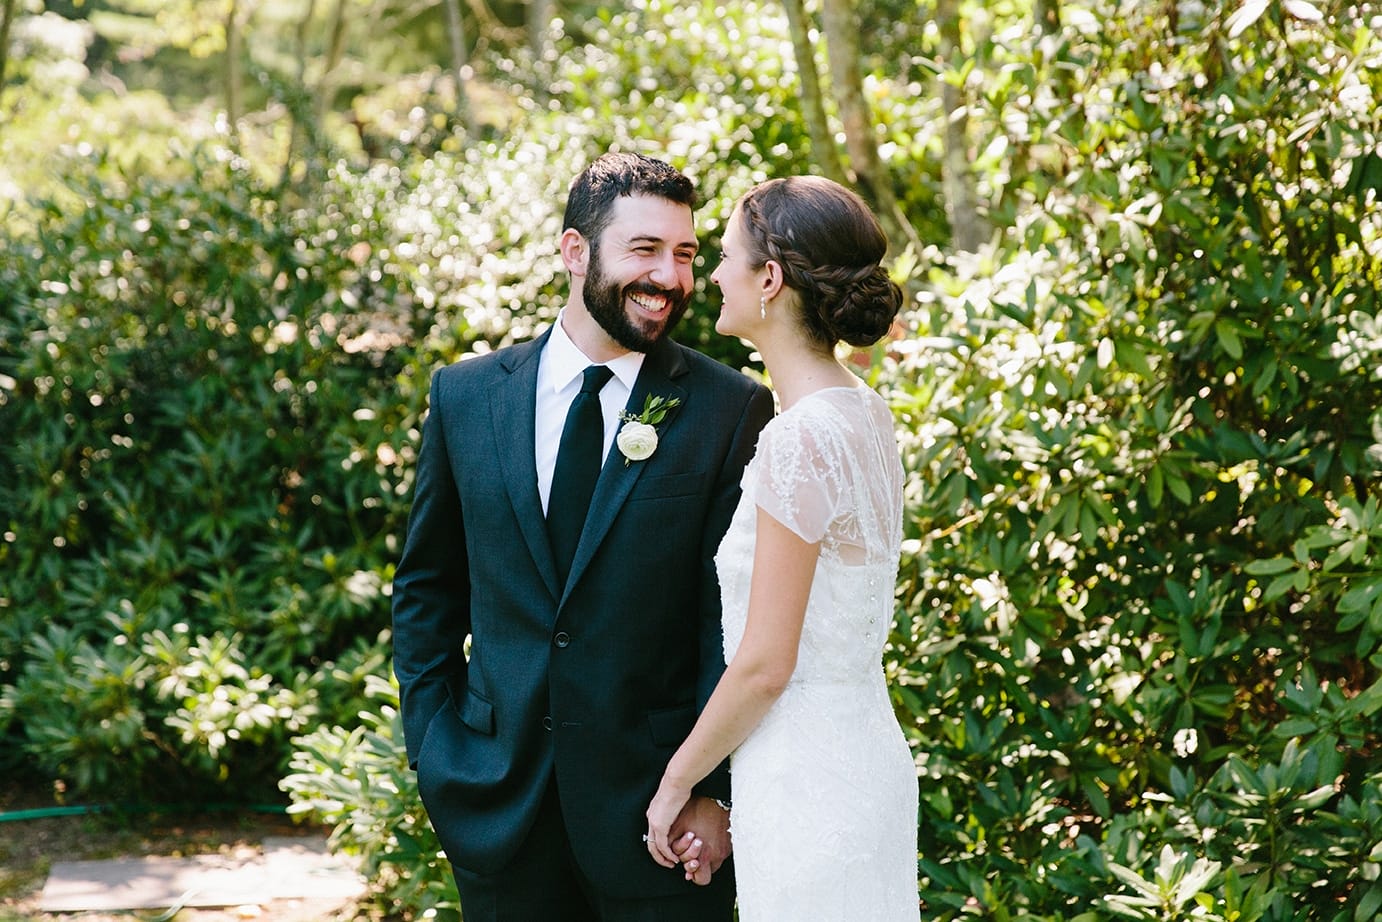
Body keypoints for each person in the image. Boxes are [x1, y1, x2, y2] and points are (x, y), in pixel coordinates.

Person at [391, 151, 775, 921]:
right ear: (575, 252)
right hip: (499, 812)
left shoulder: (730, 409)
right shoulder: (466, 397)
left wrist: (713, 792)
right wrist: (438, 752)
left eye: (686, 254)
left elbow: (726, 620)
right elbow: (427, 591)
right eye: (645, 250)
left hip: (661, 821)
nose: (669, 277)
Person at [644, 175, 920, 921]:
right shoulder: (864, 413)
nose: (712, 274)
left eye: (725, 254)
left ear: (769, 279)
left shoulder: (799, 437)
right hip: (861, 756)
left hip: (809, 779)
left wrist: (676, 783)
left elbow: (767, 664)